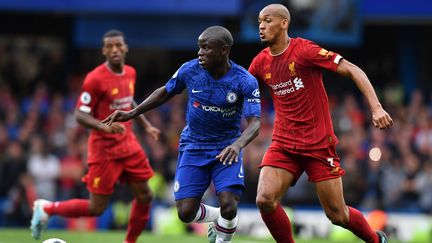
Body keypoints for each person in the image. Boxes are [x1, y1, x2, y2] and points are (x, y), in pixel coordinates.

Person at [248, 4, 393, 243]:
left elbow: (352, 69)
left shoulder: (304, 50)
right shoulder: (260, 62)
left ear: (284, 23)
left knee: (338, 215)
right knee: (264, 199)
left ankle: (377, 241)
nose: (261, 26)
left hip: (317, 145)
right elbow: (239, 89)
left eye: (267, 20)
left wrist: (376, 107)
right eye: (259, 22)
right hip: (283, 144)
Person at [103, 26, 261, 243]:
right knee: (185, 213)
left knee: (229, 203)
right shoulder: (190, 70)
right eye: (199, 47)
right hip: (194, 146)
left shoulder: (244, 80)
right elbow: (165, 92)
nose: (200, 53)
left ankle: (224, 232)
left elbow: (255, 124)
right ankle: (218, 218)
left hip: (226, 148)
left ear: (224, 50)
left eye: (206, 48)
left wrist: (237, 145)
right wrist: (133, 112)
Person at [30, 29, 161, 243]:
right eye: (109, 46)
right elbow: (79, 114)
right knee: (96, 208)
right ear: (104, 50)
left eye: (118, 45)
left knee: (146, 195)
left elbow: (128, 102)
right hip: (104, 148)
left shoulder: (130, 72)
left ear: (125, 47)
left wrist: (146, 125)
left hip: (128, 144)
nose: (115, 50)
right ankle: (47, 207)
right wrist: (104, 127)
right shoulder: (95, 78)